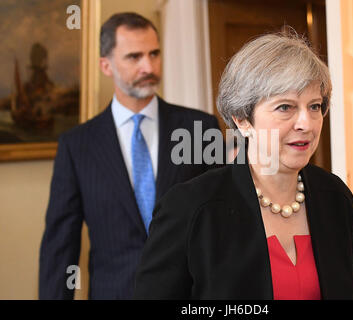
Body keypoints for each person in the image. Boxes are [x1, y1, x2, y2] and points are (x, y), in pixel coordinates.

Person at [134, 30, 353, 300]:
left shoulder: (336, 198)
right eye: (285, 107)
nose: (306, 124)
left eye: (314, 106)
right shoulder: (190, 207)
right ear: (242, 120)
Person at [39, 12, 222, 299]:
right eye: (134, 57)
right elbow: (60, 245)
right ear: (106, 65)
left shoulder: (200, 128)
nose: (148, 66)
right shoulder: (77, 146)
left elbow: (222, 222)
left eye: (154, 53)